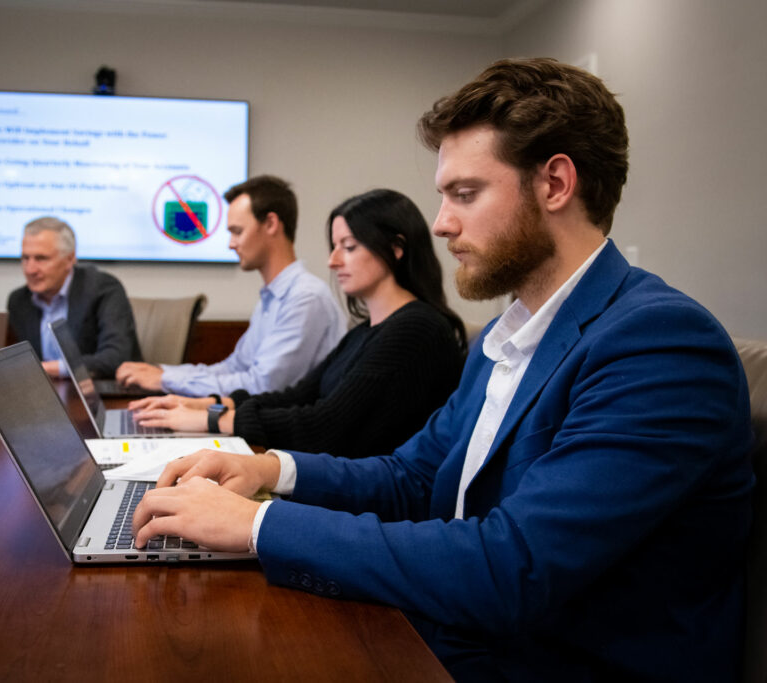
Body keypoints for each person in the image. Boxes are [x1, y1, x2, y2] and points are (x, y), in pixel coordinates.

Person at [132, 58, 755, 681]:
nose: (440, 223)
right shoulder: (508, 335)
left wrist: (259, 523)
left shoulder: (660, 343)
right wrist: (268, 469)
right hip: (468, 636)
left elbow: (511, 566)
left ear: (556, 184)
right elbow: (413, 476)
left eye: (465, 193)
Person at [129, 189, 465, 458]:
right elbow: (298, 395)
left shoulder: (417, 329)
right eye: (335, 247)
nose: (333, 261)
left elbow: (326, 425)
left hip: (374, 510)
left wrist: (213, 418)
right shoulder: (364, 332)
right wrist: (208, 404)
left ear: (395, 249)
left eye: (348, 247)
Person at [115, 175, 345, 397]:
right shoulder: (273, 297)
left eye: (237, 231)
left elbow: (262, 386)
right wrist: (163, 372)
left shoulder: (305, 297)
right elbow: (234, 367)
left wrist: (165, 380)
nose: (231, 243)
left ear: (271, 224)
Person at [7, 216, 141, 378]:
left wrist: (51, 369)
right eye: (25, 258)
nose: (30, 269)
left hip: (104, 393)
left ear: (70, 259)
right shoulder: (19, 300)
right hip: (47, 394)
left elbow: (116, 358)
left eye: (41, 258)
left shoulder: (103, 288)